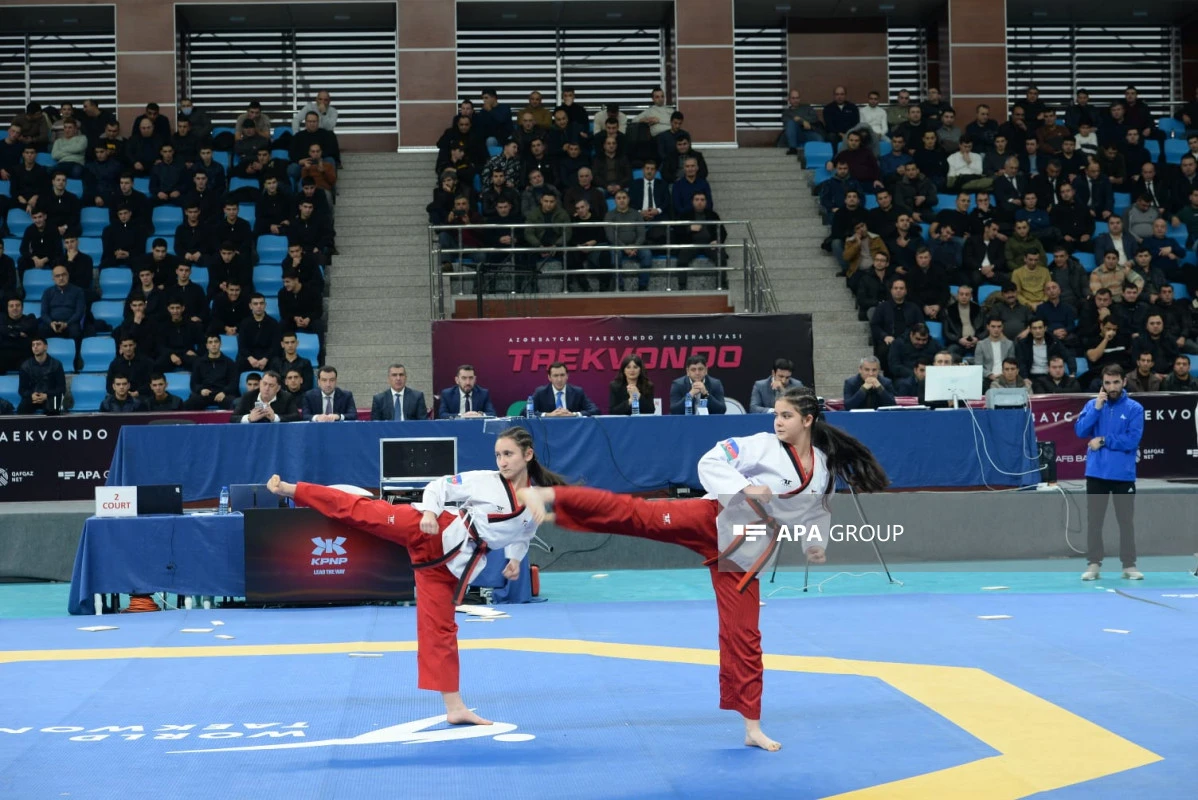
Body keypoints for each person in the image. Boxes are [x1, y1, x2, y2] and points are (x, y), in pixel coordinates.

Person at [517, 388, 889, 751]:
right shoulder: (761, 445)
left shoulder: (821, 469)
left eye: (786, 416)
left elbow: (816, 509)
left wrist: (814, 544)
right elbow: (711, 461)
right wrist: (745, 487)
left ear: (808, 421)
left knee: (744, 635)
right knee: (634, 515)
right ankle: (550, 496)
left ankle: (751, 725)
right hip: (710, 517)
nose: (777, 421)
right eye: (775, 414)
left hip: (745, 546)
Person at [266, 427, 566, 726]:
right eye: (498, 454)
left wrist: (514, 560)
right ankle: (295, 490)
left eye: (508, 454)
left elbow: (523, 535)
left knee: (440, 631)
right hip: (429, 530)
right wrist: (429, 514)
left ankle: (455, 707)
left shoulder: (534, 506)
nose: (502, 461)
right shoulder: (485, 481)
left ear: (527, 455)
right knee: (362, 511)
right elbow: (438, 487)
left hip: (449, 568)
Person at [1074, 365, 1144, 581]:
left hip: (1123, 475)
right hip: (1096, 474)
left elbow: (1132, 440)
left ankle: (1129, 566)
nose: (1111, 387)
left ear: (1124, 382)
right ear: (1102, 384)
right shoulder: (1092, 405)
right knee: (1094, 521)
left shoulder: (1135, 408)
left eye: (1116, 382)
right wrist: (1096, 408)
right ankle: (1094, 564)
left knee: (1126, 522)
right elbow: (1080, 431)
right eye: (1107, 383)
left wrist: (1104, 440)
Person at [530, 362, 600, 417]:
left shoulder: (577, 392)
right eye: (555, 376)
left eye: (562, 375)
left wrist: (573, 414)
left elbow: (595, 410)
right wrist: (548, 415)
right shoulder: (541, 392)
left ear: (567, 376)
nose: (559, 379)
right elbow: (525, 412)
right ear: (549, 377)